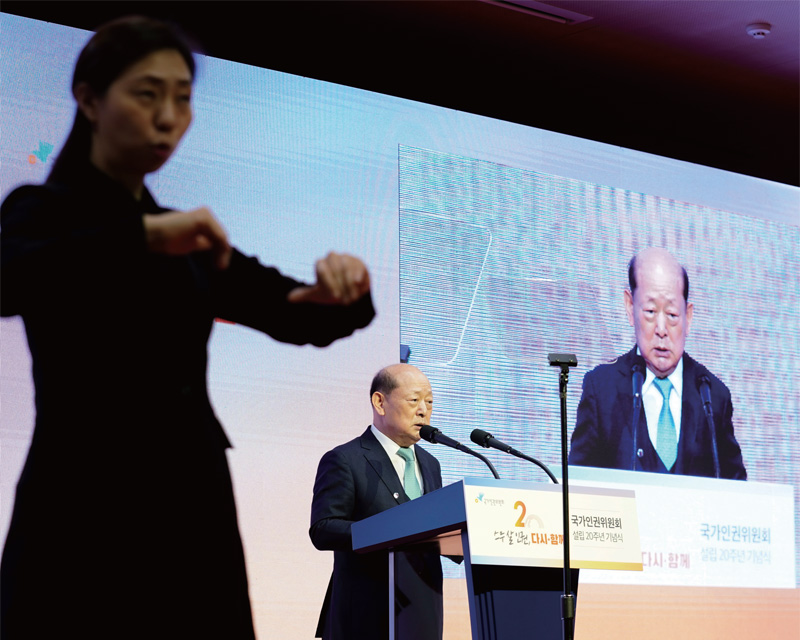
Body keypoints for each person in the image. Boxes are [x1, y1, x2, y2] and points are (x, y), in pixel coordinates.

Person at [0, 16, 375, 640]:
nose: (169, 116)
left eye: (183, 98)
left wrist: (345, 289)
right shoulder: (40, 213)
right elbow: (12, 280)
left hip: (190, 495)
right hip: (80, 492)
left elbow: (294, 313)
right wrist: (145, 237)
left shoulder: (188, 236)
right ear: (89, 99)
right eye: (148, 94)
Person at [569, 247, 746, 479]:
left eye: (672, 314)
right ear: (630, 307)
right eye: (650, 311)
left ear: (688, 316)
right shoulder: (602, 390)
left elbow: (737, 491)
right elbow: (577, 486)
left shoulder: (713, 396)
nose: (661, 330)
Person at [310, 363, 444, 640]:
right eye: (414, 400)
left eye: (429, 402)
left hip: (423, 613)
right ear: (380, 402)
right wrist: (387, 530)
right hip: (364, 615)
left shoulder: (431, 464)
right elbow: (323, 528)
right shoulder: (346, 459)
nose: (423, 410)